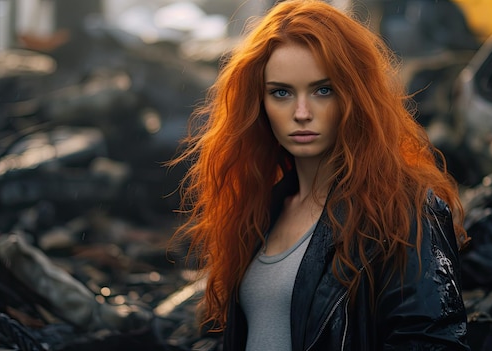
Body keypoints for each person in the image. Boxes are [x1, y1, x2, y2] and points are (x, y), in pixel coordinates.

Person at [168, 0, 471, 350]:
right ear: (259, 103)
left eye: (322, 90)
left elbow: (431, 343)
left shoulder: (405, 211)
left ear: (354, 96)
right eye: (281, 92)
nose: (301, 113)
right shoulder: (262, 209)